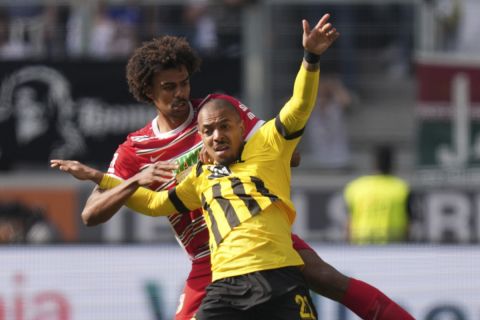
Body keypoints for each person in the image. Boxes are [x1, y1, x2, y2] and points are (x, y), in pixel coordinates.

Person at [52, 24, 413, 320]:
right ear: (147, 90)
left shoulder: (216, 115)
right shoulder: (134, 151)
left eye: (184, 83)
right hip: (207, 257)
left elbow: (289, 153)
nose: (181, 93)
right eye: (169, 87)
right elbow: (91, 214)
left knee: (327, 278)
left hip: (256, 234)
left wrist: (258, 152)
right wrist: (135, 180)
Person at [344, 144, 411, 244]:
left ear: (374, 163)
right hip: (393, 243)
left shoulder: (355, 187)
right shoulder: (401, 187)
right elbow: (408, 223)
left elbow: (349, 222)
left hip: (361, 243)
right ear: (392, 164)